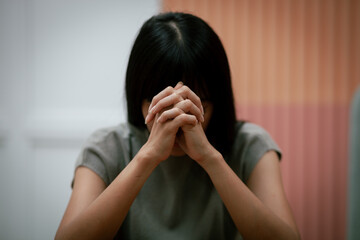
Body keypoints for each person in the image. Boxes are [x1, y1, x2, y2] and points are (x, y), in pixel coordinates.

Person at [55, 12, 300, 240]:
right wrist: (148, 156)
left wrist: (209, 158)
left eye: (194, 105)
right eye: (163, 105)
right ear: (138, 96)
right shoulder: (107, 147)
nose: (178, 120)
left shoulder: (250, 145)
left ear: (217, 99)